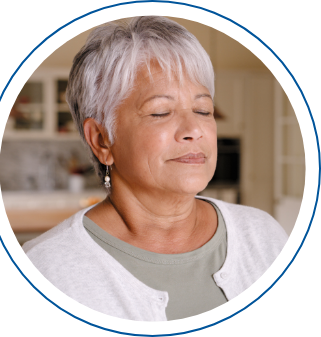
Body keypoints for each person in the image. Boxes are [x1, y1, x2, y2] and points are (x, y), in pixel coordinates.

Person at [22, 16, 288, 322]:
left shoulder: (264, 235)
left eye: (203, 110)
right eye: (161, 111)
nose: (194, 130)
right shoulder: (47, 269)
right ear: (102, 140)